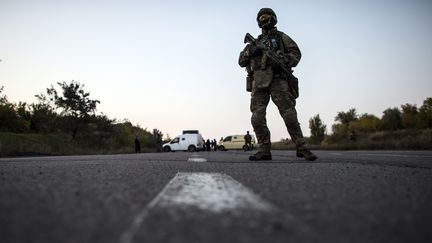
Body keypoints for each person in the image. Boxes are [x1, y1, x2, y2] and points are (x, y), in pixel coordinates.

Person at [239, 8, 317, 161]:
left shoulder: (281, 37)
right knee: (257, 117)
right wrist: (251, 52)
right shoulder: (255, 42)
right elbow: (241, 61)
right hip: (259, 82)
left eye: (266, 16)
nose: (263, 19)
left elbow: (296, 53)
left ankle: (301, 147)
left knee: (289, 114)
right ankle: (264, 149)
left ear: (273, 18)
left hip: (278, 80)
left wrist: (283, 61)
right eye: (261, 17)